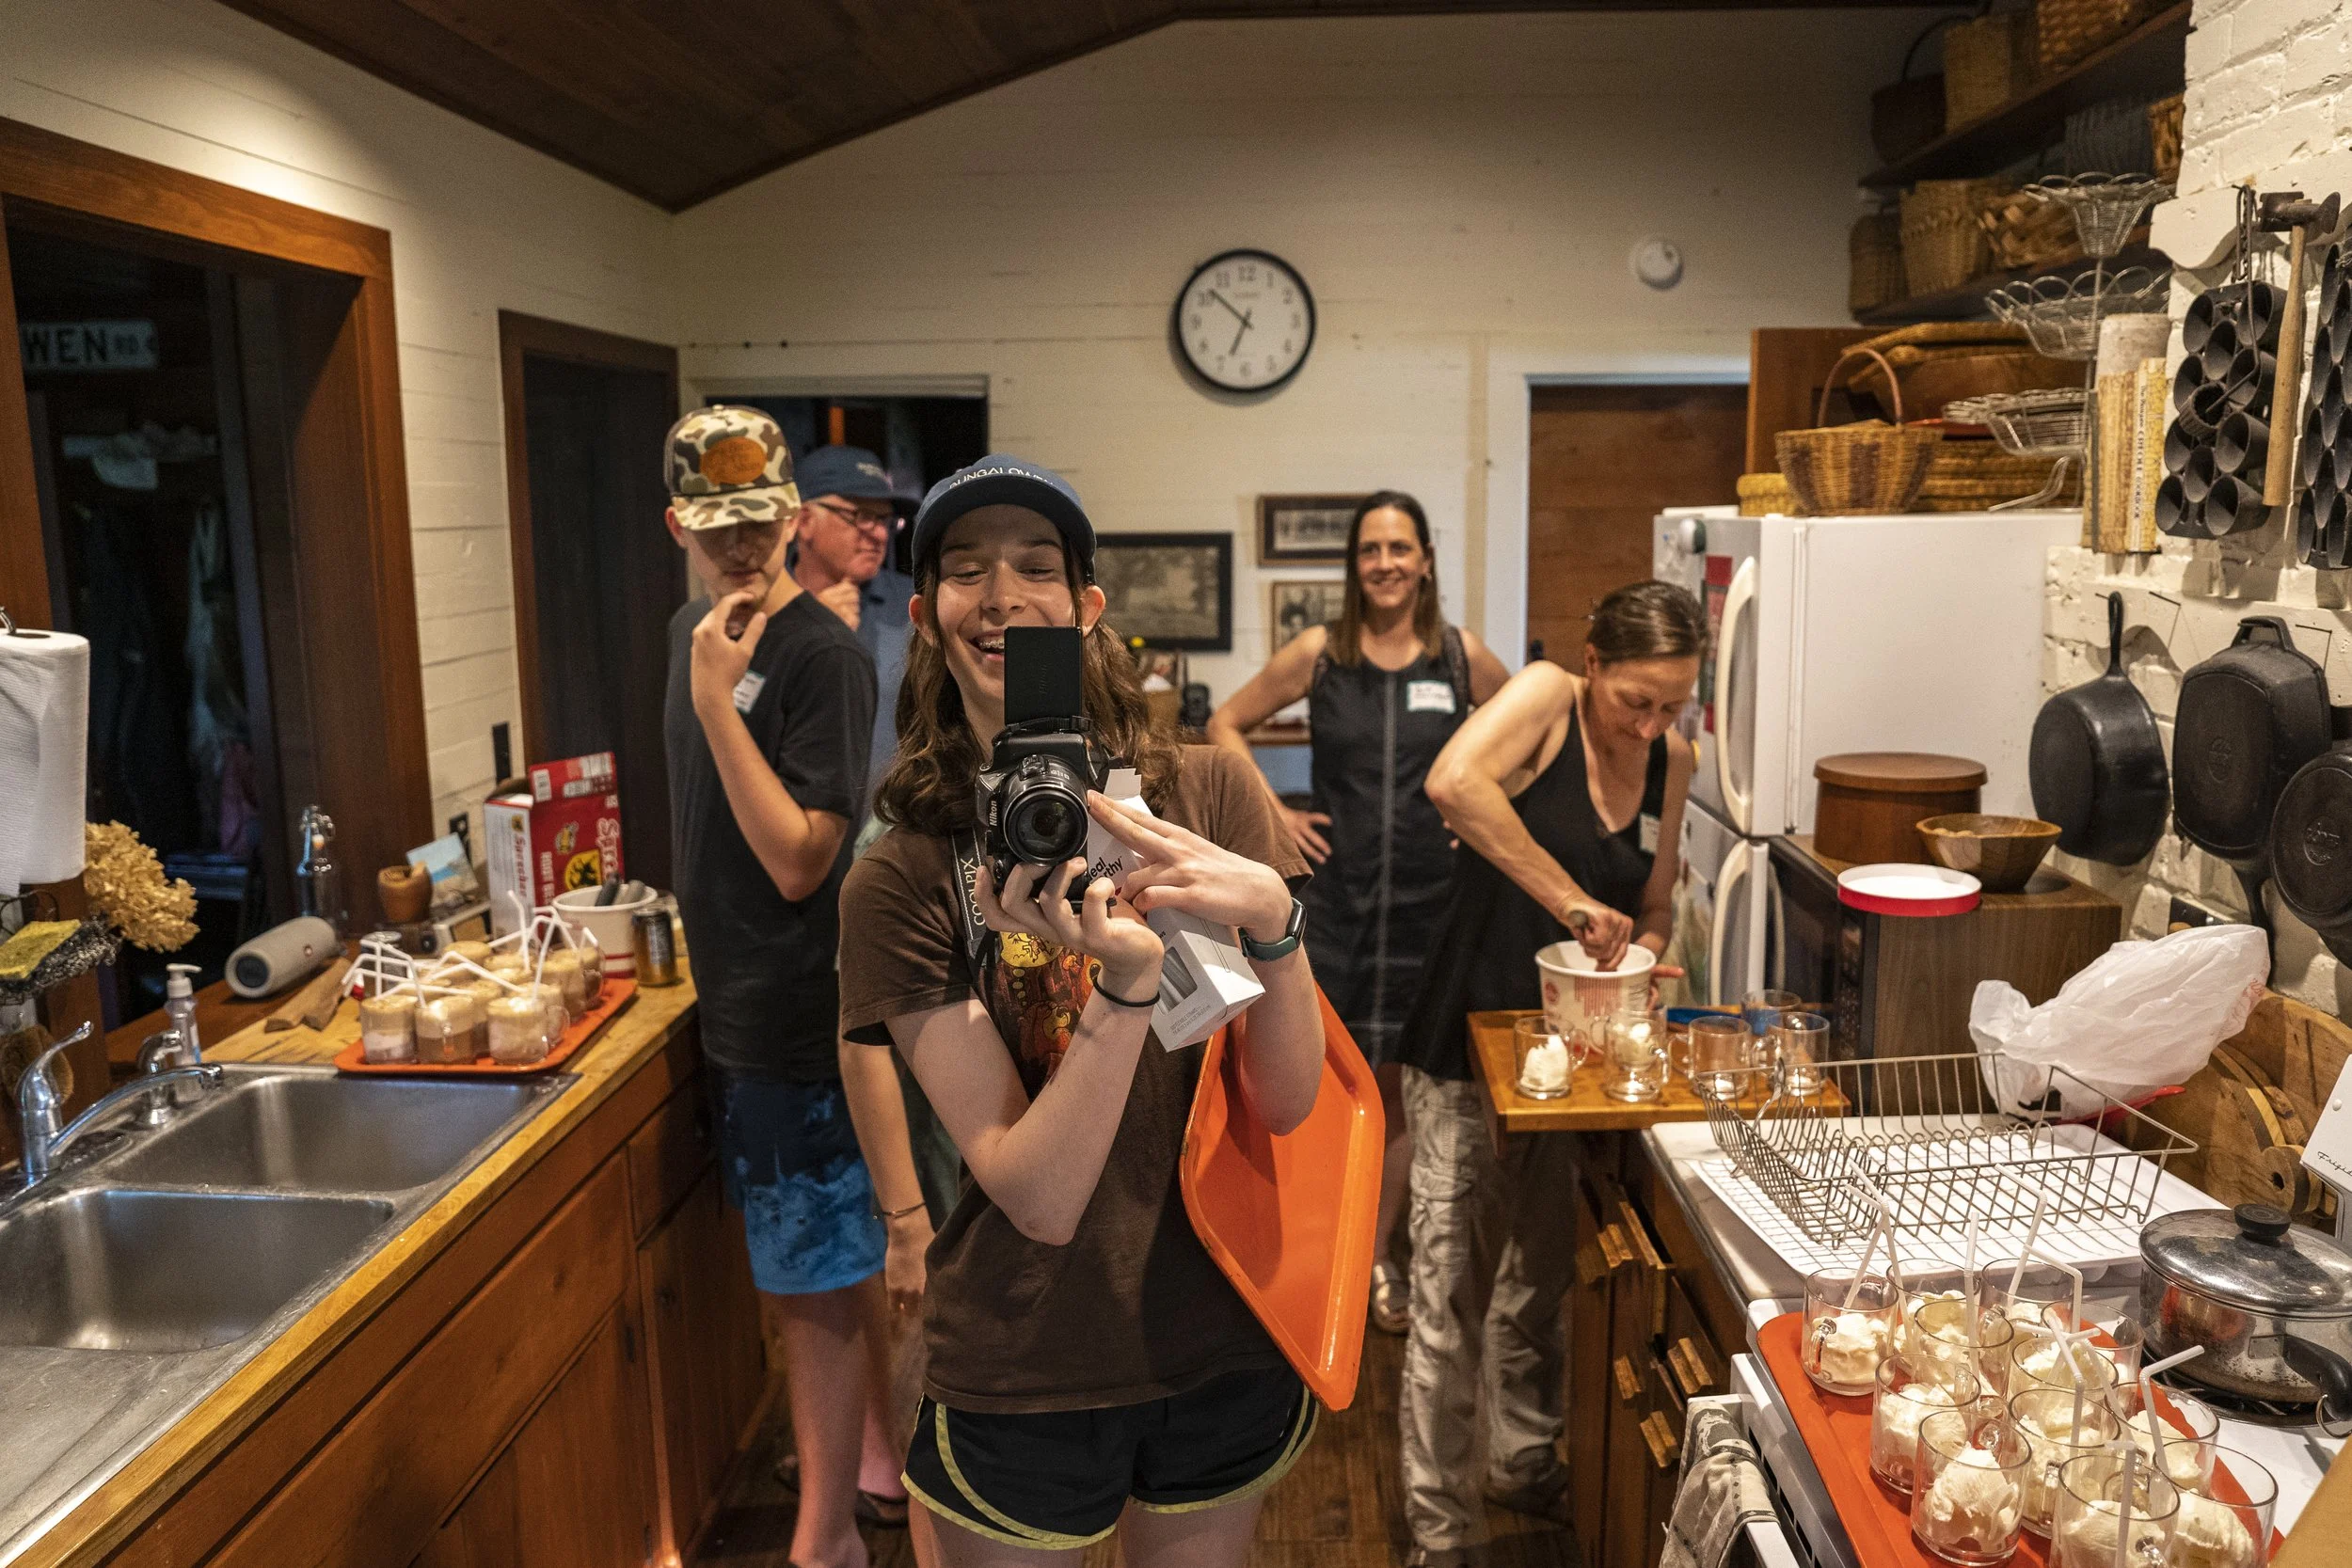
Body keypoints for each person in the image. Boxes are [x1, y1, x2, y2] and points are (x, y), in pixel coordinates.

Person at [836, 454, 1328, 1567]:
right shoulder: (904, 876)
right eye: (965, 573)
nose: (1000, 594)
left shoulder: (1202, 797)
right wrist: (1124, 985)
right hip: (1026, 1359)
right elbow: (1040, 1195)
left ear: (1087, 607)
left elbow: (1287, 1102)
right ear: (924, 619)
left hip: (1224, 1330)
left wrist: (1281, 932)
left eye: (1035, 568)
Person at [1391, 579, 1704, 1568]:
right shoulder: (1543, 696)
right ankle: (1436, 1529)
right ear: (1594, 664)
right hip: (1463, 1053)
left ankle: (1525, 1464)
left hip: (1571, 1071)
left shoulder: (1672, 761)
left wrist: (1652, 952)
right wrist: (1572, 902)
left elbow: (1654, 902)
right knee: (1448, 1294)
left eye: (1671, 706)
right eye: (1634, 701)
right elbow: (1453, 784)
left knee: (1537, 1283)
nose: (1650, 724)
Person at [659, 405, 898, 1568]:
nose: (744, 550)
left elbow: (804, 856)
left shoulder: (822, 655)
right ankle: (882, 1463)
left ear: (793, 515)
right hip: (733, 989)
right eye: (720, 530)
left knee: (811, 1277)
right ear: (679, 527)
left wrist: (719, 700)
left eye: (760, 522)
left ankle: (826, 1538)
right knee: (829, 1259)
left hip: (798, 1003)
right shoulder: (691, 631)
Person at [1205, 491, 1506, 1338]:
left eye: (1399, 547)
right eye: (1370, 549)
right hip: (1333, 901)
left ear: (1425, 559)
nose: (1385, 563)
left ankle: (1379, 1257)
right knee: (1320, 1078)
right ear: (1354, 564)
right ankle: (1309, 1252)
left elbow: (1533, 735)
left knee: (1403, 1088)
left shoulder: (1460, 658)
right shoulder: (1319, 654)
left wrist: (1481, 822)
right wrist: (1275, 815)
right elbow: (1225, 722)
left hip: (1428, 903)